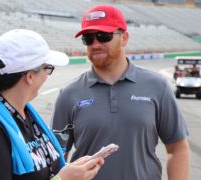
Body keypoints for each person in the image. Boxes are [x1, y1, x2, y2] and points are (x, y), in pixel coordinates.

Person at [51, 5, 190, 180]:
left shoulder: (157, 86)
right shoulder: (68, 94)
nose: (95, 44)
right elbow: (56, 158)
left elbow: (177, 148)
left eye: (103, 36)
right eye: (88, 38)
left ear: (124, 38)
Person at [0, 29, 104, 180]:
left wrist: (73, 172)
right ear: (30, 76)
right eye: (48, 68)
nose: (47, 76)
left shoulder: (24, 113)